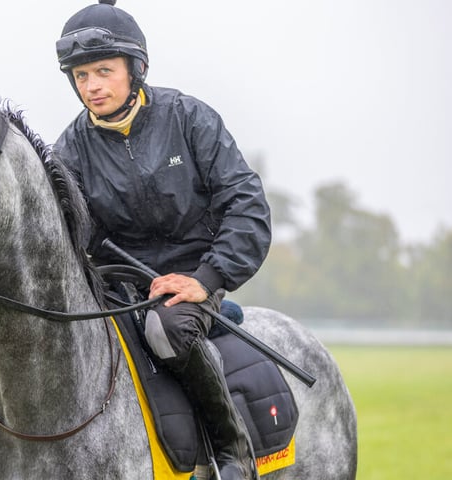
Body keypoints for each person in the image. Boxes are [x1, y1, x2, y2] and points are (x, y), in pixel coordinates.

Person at [53, 1, 272, 479]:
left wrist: (205, 279)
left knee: (165, 329)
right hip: (118, 287)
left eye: (104, 71)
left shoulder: (190, 118)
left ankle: (233, 450)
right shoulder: (67, 151)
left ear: (136, 70)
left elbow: (248, 208)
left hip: (193, 278)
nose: (92, 86)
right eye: (81, 76)